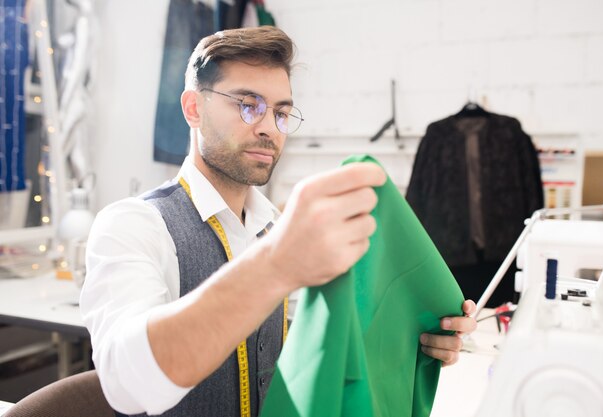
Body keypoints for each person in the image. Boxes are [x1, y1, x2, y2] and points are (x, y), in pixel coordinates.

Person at [80, 26, 477, 417]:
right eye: (247, 104)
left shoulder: (276, 227)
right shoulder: (133, 225)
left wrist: (411, 337)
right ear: (193, 108)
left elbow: (319, 354)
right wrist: (276, 264)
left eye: (282, 112)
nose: (269, 127)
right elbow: (127, 385)